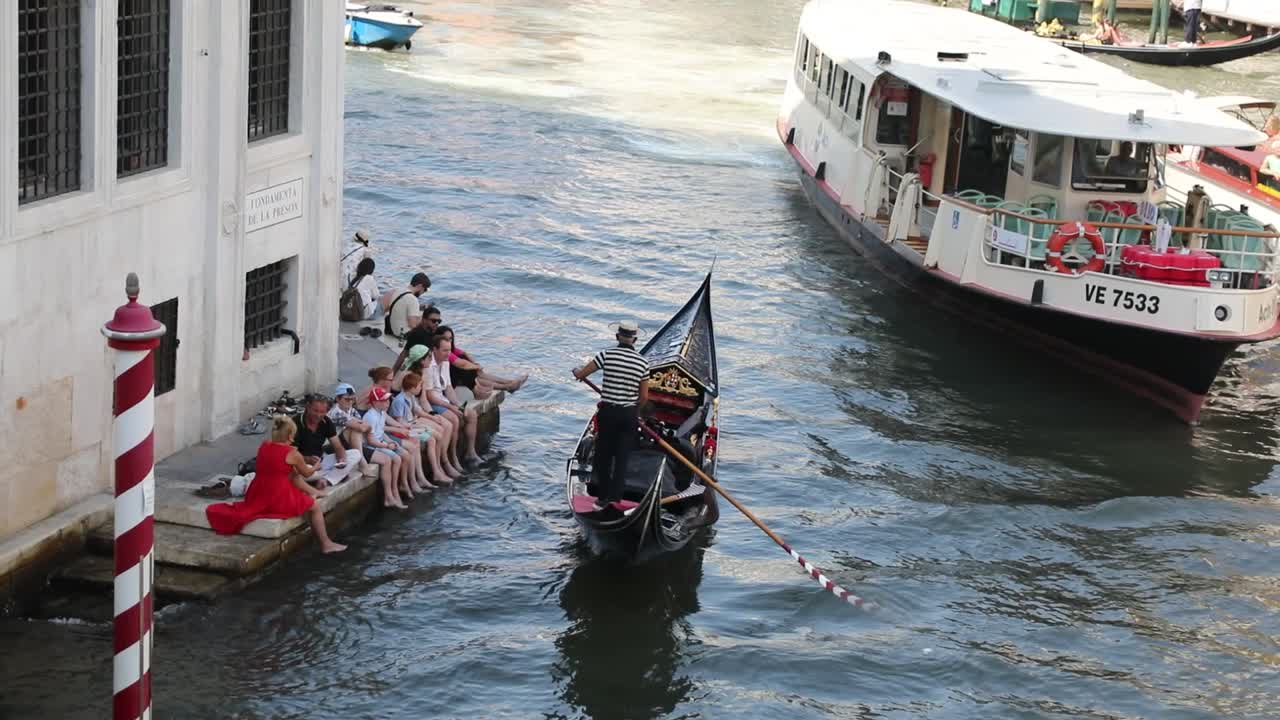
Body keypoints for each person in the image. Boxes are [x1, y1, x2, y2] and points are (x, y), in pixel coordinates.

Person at [205, 416, 346, 553]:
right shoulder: (292, 453)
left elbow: (285, 471)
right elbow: (307, 474)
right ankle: (326, 544)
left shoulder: (264, 446)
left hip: (258, 493)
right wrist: (316, 467)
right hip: (277, 496)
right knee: (314, 507)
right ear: (290, 436)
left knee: (293, 475)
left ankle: (310, 494)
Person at [571, 320, 650, 509]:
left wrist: (576, 371)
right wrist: (635, 411)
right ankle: (615, 499)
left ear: (617, 337)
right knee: (622, 457)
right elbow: (644, 397)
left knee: (603, 455)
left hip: (608, 413)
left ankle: (602, 499)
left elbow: (582, 374)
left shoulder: (606, 355)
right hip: (628, 415)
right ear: (635, 340)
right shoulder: (643, 363)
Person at [424, 334, 484, 466]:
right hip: (432, 403)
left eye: (449, 350)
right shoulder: (428, 366)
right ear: (435, 349)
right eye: (445, 350)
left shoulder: (445, 363)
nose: (448, 354)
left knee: (471, 414)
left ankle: (470, 452)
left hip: (442, 399)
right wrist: (451, 407)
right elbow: (430, 396)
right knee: (454, 419)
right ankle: (451, 458)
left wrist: (458, 404)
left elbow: (448, 387)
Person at [292, 395, 361, 489]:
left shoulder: (326, 422)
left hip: (321, 462)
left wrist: (341, 459)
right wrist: (308, 459)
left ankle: (326, 480)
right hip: (303, 464)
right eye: (315, 411)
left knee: (355, 454)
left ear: (327, 411)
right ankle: (331, 476)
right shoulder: (295, 423)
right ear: (308, 407)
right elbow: (291, 454)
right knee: (301, 472)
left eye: (322, 412)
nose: (318, 415)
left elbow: (337, 446)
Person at [362, 386, 411, 509]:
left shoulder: (381, 413)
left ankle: (402, 485)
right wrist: (387, 445)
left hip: (382, 442)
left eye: (388, 400)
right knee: (396, 458)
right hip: (373, 446)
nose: (387, 403)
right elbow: (371, 440)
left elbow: (381, 431)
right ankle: (391, 493)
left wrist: (390, 441)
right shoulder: (370, 416)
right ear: (374, 402)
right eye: (383, 400)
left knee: (405, 454)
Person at [394, 305, 442, 372]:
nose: (437, 323)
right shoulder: (417, 334)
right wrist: (394, 372)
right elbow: (405, 353)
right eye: (434, 321)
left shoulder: (436, 332)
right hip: (419, 368)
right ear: (424, 320)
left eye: (439, 321)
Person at [383, 272, 430, 340]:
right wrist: (424, 315)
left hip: (392, 330)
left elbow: (401, 307)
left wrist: (418, 307)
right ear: (420, 286)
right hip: (404, 334)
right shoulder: (413, 299)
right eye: (425, 289)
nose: (423, 292)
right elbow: (413, 325)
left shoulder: (398, 291)